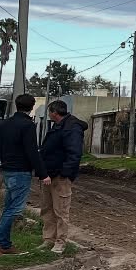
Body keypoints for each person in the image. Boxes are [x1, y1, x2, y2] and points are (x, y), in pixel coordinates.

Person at [0, 94, 47, 258]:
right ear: (32, 107)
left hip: (8, 170)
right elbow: (32, 151)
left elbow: (0, 147)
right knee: (15, 209)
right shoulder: (28, 125)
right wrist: (43, 173)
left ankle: (5, 244)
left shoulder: (5, 124)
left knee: (9, 208)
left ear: (16, 105)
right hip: (21, 171)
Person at [38, 100, 86, 254]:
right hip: (49, 174)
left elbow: (75, 153)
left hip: (60, 176)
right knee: (47, 209)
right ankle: (48, 239)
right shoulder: (58, 126)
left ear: (54, 113)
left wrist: (65, 173)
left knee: (61, 211)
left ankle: (60, 242)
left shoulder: (72, 128)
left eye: (49, 112)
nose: (48, 115)